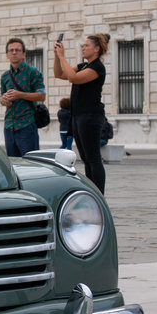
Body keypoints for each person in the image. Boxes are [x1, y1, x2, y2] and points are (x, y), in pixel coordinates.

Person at [53, 32, 109, 193]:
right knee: (85, 159)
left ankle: (99, 194)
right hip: (78, 116)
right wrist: (57, 56)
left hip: (91, 116)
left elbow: (73, 78)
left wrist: (63, 56)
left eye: (87, 45)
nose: (83, 48)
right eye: (83, 45)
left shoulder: (97, 67)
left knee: (93, 158)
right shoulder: (83, 65)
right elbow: (60, 74)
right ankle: (92, 192)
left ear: (96, 49)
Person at [0, 37, 46, 157]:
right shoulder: (5, 76)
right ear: (7, 55)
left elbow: (41, 96)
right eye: (11, 50)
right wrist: (3, 100)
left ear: (23, 54)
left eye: (17, 50)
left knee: (30, 164)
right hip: (9, 126)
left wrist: (20, 95)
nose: (14, 52)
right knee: (13, 164)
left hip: (27, 125)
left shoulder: (33, 72)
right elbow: (1, 96)